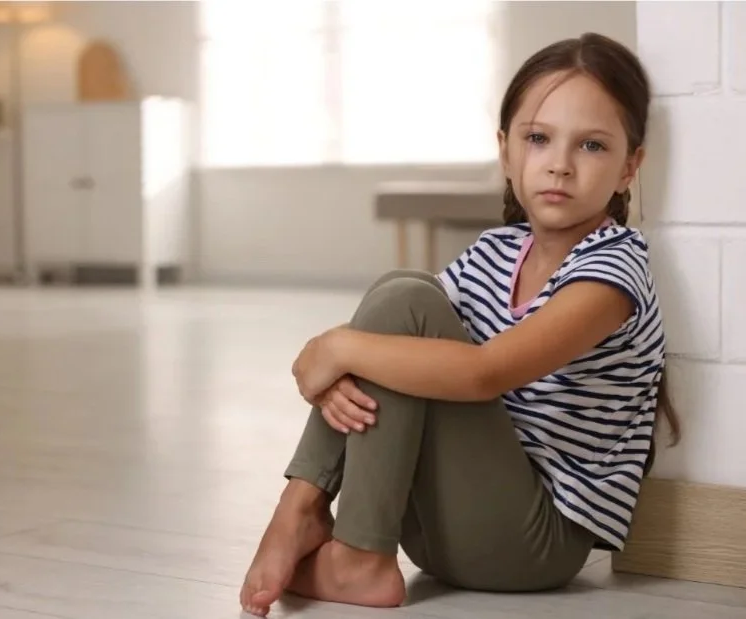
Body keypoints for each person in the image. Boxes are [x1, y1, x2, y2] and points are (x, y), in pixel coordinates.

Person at [240, 32, 681, 617]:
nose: (559, 164)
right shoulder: (498, 249)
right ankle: (311, 512)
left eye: (592, 146)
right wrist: (344, 355)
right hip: (441, 527)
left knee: (397, 311)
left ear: (630, 166)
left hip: (532, 545)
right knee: (401, 292)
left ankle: (340, 541)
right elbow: (399, 328)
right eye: (538, 138)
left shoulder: (612, 267)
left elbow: (482, 375)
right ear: (506, 152)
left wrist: (337, 347)